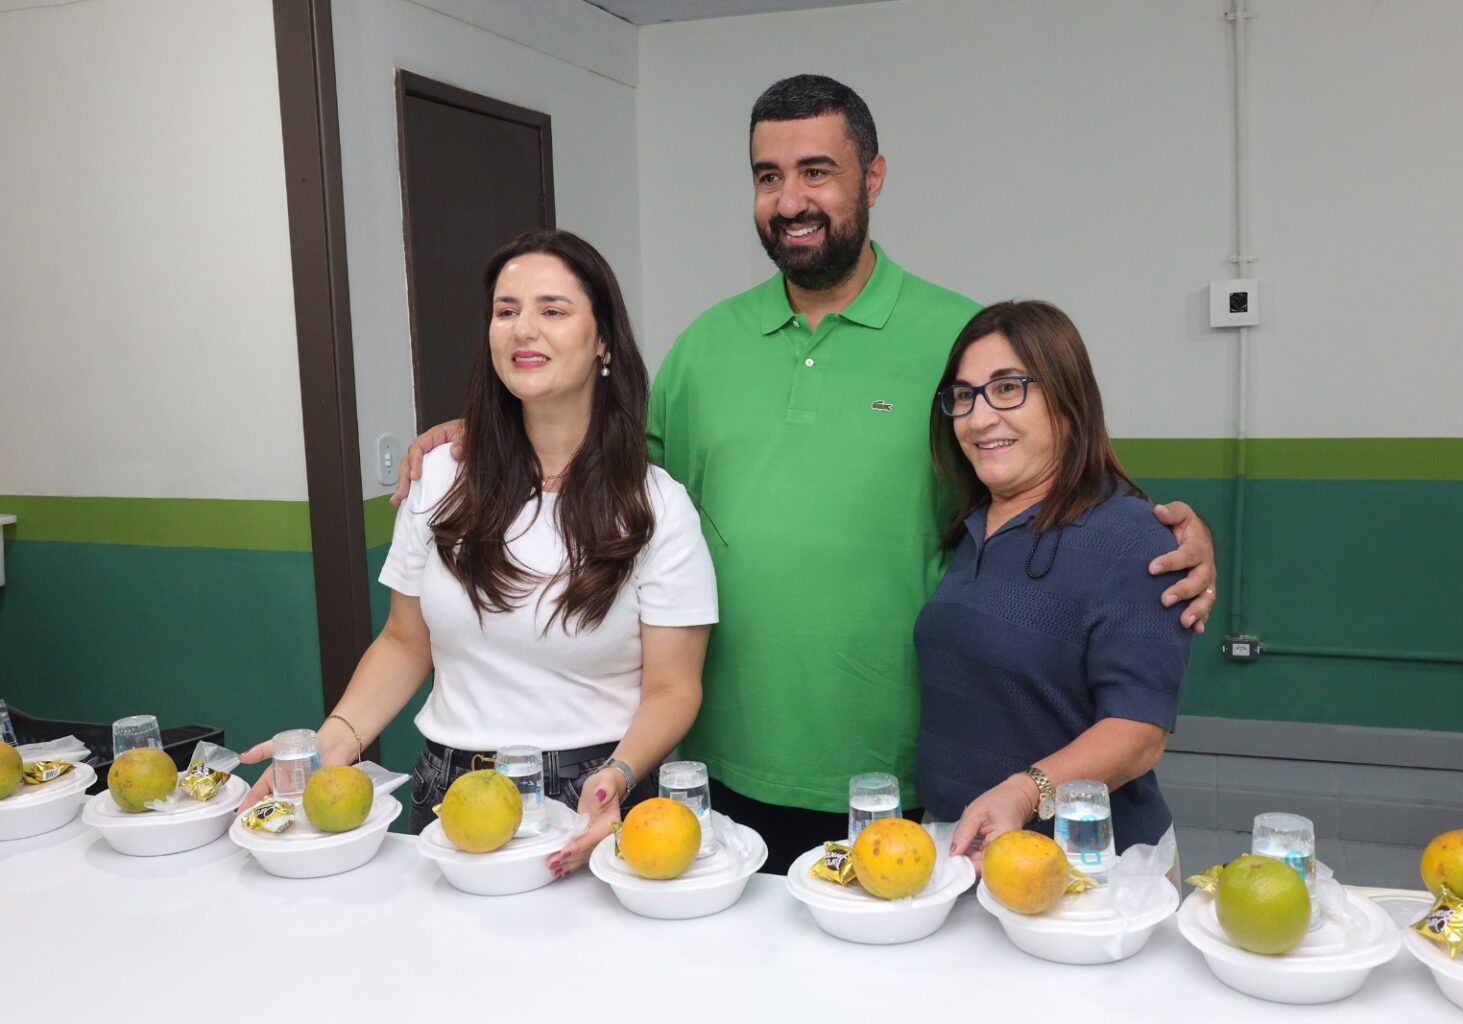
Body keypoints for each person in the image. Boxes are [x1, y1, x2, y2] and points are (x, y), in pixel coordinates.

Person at [396, 75, 1215, 874]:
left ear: (873, 178)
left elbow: (1048, 471)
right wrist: (496, 425)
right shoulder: (703, 348)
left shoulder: (958, 338)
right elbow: (597, 475)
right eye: (768, 177)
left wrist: (1177, 537)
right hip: (715, 764)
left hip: (898, 773)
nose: (790, 200)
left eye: (816, 171)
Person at [243, 230, 717, 877]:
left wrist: (617, 777)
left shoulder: (656, 504)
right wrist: (332, 743)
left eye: (553, 310)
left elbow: (673, 686)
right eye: (506, 310)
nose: (524, 329)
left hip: (592, 789)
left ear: (603, 340)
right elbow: (404, 643)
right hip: (449, 788)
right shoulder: (439, 476)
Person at [919, 301, 1190, 865]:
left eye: (1008, 388)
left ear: (1067, 402)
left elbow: (1138, 732)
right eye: (964, 396)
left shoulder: (1133, 537)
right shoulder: (970, 526)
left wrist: (1025, 793)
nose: (979, 418)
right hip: (963, 849)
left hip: (1089, 865)